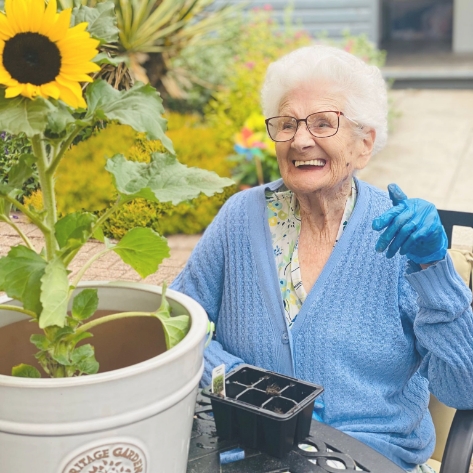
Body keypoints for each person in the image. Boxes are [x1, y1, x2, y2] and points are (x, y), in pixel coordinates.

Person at [170, 45, 473, 473]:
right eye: (287, 123)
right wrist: (240, 382)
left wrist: (433, 267)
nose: (300, 139)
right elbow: (177, 324)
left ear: (364, 143)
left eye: (323, 123)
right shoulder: (239, 219)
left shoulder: (401, 237)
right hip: (249, 450)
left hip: (368, 458)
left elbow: (465, 388)